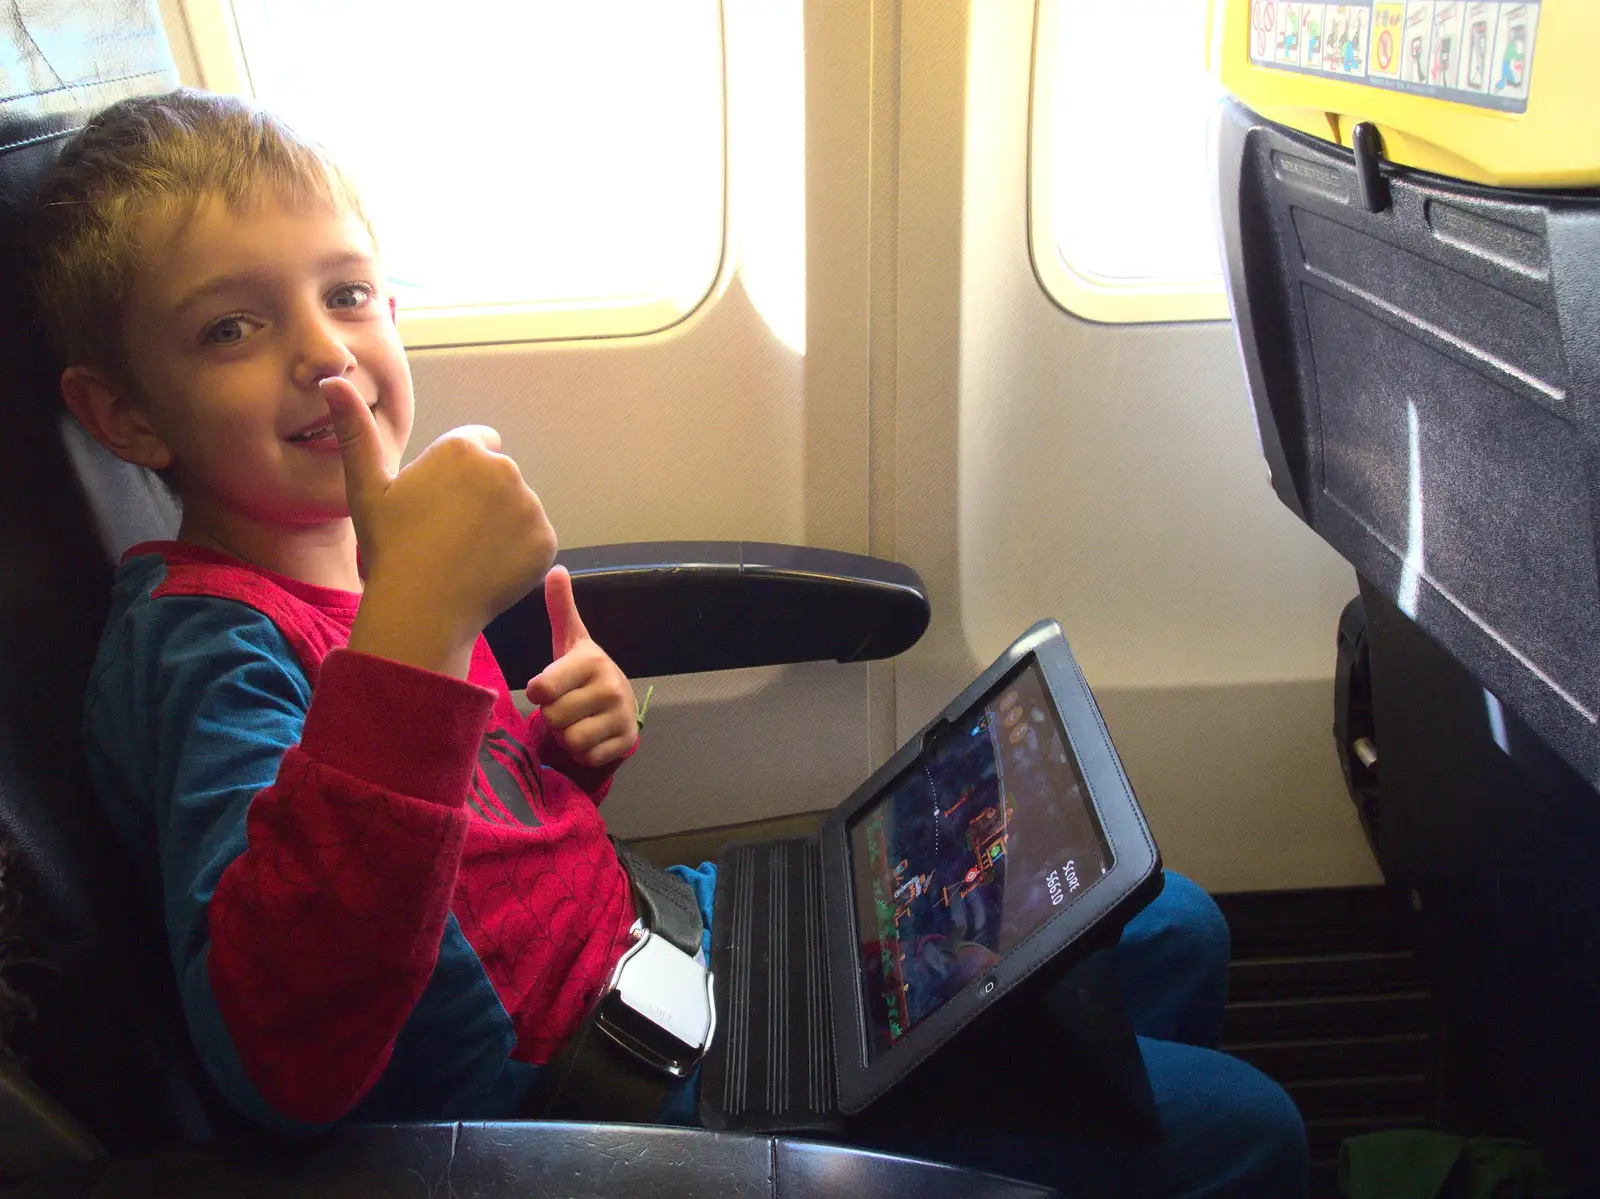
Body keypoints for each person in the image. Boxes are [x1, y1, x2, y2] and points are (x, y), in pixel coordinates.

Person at [31, 88, 1307, 1197]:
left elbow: (447, 847)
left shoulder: (372, 556)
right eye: (230, 330)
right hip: (592, 1107)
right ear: (129, 415)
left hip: (669, 950)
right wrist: (419, 627)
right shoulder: (207, 654)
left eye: (348, 292)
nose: (324, 355)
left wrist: (556, 750)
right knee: (1245, 1132)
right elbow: (284, 1052)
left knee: (1169, 926)